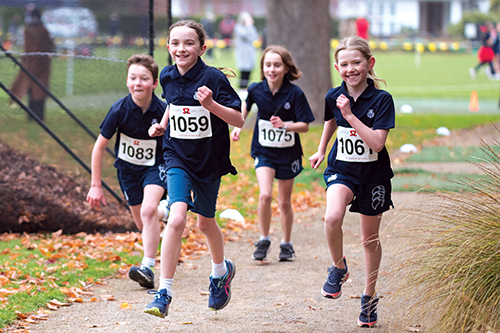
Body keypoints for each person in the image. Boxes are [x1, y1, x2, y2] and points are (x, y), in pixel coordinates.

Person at [145, 19, 244, 318]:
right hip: (176, 156)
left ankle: (219, 273)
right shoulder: (167, 76)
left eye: (189, 43)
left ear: (202, 48)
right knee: (176, 218)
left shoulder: (213, 78)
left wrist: (212, 105)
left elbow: (239, 120)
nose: (181, 48)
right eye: (175, 43)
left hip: (208, 162)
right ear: (168, 47)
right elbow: (173, 105)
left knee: (204, 223)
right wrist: (161, 126)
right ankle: (164, 292)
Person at [309, 36, 395, 328]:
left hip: (374, 176)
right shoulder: (334, 95)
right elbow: (331, 120)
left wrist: (350, 115)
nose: (350, 69)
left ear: (369, 64)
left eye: (356, 62)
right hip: (342, 169)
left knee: (369, 240)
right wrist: (322, 148)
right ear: (337, 67)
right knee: (332, 216)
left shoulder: (382, 100)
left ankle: (369, 296)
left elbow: (377, 143)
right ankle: (338, 267)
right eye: (344, 64)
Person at [86, 54, 169, 290]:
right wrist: (95, 185)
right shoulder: (119, 110)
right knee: (144, 223)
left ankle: (147, 267)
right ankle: (166, 213)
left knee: (147, 209)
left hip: (155, 167)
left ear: (154, 83)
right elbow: (99, 147)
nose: (137, 83)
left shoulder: (163, 110)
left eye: (144, 78)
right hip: (128, 172)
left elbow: (176, 144)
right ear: (127, 81)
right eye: (133, 78)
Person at [231, 45, 315, 262]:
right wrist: (238, 126)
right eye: (268, 65)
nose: (272, 69)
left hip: (288, 153)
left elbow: (305, 125)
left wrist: (286, 125)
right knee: (265, 195)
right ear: (263, 67)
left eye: (277, 65)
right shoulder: (255, 89)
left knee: (284, 201)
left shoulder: (295, 93)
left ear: (286, 68)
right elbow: (245, 108)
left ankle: (286, 244)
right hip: (264, 150)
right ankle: (264, 238)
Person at [9, 7, 55, 121]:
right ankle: (38, 116)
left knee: (32, 90)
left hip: (29, 63)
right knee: (39, 91)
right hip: (41, 63)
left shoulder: (27, 30)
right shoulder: (41, 30)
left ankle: (31, 116)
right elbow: (51, 45)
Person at [234, 11, 259, 94]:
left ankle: (246, 88)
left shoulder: (251, 27)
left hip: (250, 51)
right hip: (242, 52)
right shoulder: (238, 27)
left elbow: (254, 37)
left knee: (249, 69)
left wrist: (250, 26)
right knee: (243, 70)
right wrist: (248, 26)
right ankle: (242, 88)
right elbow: (243, 35)